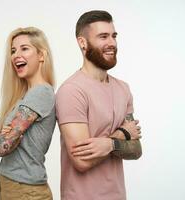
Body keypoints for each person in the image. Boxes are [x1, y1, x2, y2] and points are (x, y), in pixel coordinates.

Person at [55, 10, 142, 200]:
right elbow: (81, 161)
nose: (111, 43)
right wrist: (121, 136)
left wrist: (107, 144)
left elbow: (136, 150)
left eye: (113, 36)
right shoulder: (71, 91)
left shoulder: (123, 89)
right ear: (82, 43)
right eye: (103, 36)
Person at [0, 27, 55, 200]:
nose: (16, 55)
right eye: (13, 50)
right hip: (14, 185)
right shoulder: (27, 95)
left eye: (24, 48)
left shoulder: (40, 93)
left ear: (41, 55)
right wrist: (5, 136)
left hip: (26, 190)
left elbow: (3, 146)